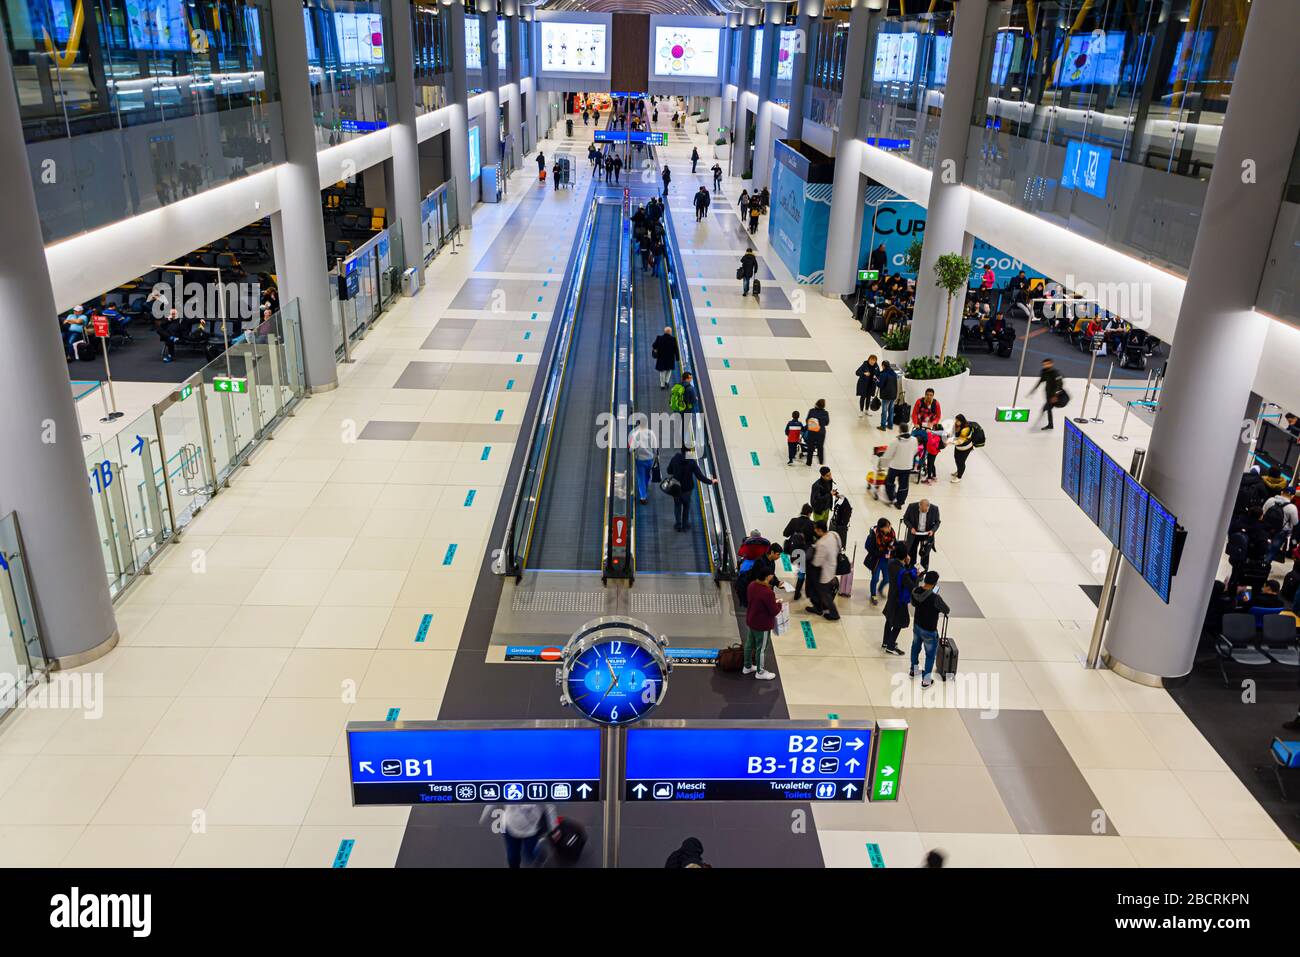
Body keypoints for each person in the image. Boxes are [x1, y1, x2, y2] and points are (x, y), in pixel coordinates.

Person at [909, 571, 951, 688]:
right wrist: (934, 593)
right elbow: (946, 610)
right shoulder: (935, 598)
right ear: (935, 583)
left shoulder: (915, 591)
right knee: (930, 655)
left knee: (915, 647)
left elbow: (914, 603)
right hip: (929, 630)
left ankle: (914, 669)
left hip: (917, 626)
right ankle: (926, 680)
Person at [666, 446, 717, 532]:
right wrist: (711, 481)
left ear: (681, 450)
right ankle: (685, 525)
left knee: (677, 506)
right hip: (687, 489)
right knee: (686, 506)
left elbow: (669, 471)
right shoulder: (691, 462)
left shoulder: (675, 458)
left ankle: (678, 525)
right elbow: (700, 477)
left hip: (676, 488)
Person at [744, 572, 781, 680]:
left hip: (752, 620)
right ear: (767, 577)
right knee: (762, 648)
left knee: (749, 644)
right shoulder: (768, 592)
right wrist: (779, 603)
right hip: (762, 625)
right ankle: (760, 672)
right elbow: (775, 611)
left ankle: (747, 666)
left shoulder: (751, 585)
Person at [880, 542, 914, 654]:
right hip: (900, 600)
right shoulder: (903, 572)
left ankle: (886, 641)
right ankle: (890, 646)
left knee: (889, 619)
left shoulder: (891, 563)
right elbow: (911, 586)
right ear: (905, 556)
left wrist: (905, 564)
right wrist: (914, 572)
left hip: (891, 596)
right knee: (898, 623)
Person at [807, 521, 842, 621]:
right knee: (825, 592)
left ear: (819, 530)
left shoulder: (821, 543)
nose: (814, 530)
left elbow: (817, 562)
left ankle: (834, 614)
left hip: (825, 573)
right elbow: (839, 545)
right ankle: (821, 607)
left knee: (824, 594)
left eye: (815, 529)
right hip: (833, 567)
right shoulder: (833, 534)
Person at [783, 504, 816, 601]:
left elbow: (785, 534)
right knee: (803, 572)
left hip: (794, 551)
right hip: (805, 553)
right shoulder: (812, 524)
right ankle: (798, 594)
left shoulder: (794, 521)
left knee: (800, 570)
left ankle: (797, 592)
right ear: (810, 513)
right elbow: (816, 537)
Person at [882, 421, 916, 509]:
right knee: (904, 485)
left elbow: (888, 454)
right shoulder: (914, 440)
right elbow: (915, 451)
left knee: (889, 482)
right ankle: (899, 503)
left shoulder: (896, 441)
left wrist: (882, 463)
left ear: (900, 430)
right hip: (907, 467)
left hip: (895, 466)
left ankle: (891, 497)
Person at [864, 517, 897, 606]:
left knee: (887, 578)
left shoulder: (892, 533)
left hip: (887, 560)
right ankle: (873, 595)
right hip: (877, 560)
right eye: (887, 527)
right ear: (881, 528)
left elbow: (895, 543)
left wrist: (894, 548)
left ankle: (880, 588)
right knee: (875, 579)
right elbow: (868, 547)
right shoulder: (873, 535)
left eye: (890, 526)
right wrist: (882, 553)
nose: (890, 528)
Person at [902, 498, 940, 571]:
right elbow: (905, 519)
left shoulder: (934, 509)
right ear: (919, 505)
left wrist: (932, 531)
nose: (923, 512)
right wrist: (911, 528)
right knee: (912, 553)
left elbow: (937, 522)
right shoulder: (912, 507)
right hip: (914, 534)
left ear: (929, 507)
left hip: (927, 535)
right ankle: (912, 570)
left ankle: (921, 572)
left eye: (925, 511)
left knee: (924, 555)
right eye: (921, 511)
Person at [1028, 358, 1066, 430]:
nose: (1045, 365)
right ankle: (1050, 423)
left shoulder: (1056, 373)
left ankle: (1050, 424)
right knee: (1047, 408)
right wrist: (1033, 390)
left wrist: (1055, 395)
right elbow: (1040, 381)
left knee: (1048, 408)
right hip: (1048, 393)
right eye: (1044, 364)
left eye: (1047, 364)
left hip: (1054, 394)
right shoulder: (1044, 372)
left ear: (1051, 364)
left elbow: (1059, 385)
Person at [630, 420, 658, 505]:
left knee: (640, 477)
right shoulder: (651, 433)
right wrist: (656, 454)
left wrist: (630, 451)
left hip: (640, 460)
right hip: (650, 459)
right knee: (647, 475)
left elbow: (631, 448)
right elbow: (655, 446)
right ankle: (645, 487)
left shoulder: (636, 435)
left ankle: (643, 497)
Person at [804, 399, 830, 466]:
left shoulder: (811, 411)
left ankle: (809, 462)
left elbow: (807, 420)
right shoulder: (825, 413)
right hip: (821, 433)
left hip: (812, 432)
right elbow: (827, 423)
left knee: (810, 447)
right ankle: (821, 462)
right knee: (820, 447)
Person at [951, 414, 975, 483]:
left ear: (961, 421)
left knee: (961, 462)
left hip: (965, 448)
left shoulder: (966, 429)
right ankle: (959, 471)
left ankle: (959, 477)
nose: (956, 422)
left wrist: (951, 441)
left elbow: (961, 440)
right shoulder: (956, 425)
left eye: (957, 421)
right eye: (956, 420)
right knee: (956, 458)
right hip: (958, 447)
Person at [875, 361, 899, 431]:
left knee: (884, 411)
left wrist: (876, 381)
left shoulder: (884, 374)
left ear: (883, 366)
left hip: (886, 396)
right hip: (893, 395)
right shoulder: (894, 373)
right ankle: (890, 425)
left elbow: (880, 385)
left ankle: (883, 426)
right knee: (891, 410)